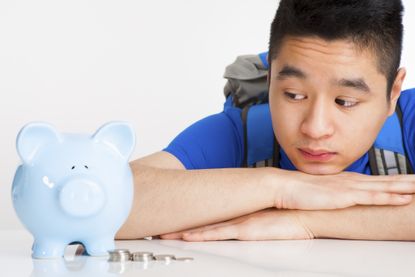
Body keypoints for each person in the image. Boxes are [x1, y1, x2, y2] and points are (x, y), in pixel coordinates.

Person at [116, 0, 415, 241]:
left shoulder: (410, 119)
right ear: (271, 76)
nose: (315, 127)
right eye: (294, 95)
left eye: (345, 102)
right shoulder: (240, 133)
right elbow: (101, 197)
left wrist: (305, 220)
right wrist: (281, 188)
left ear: (393, 92)